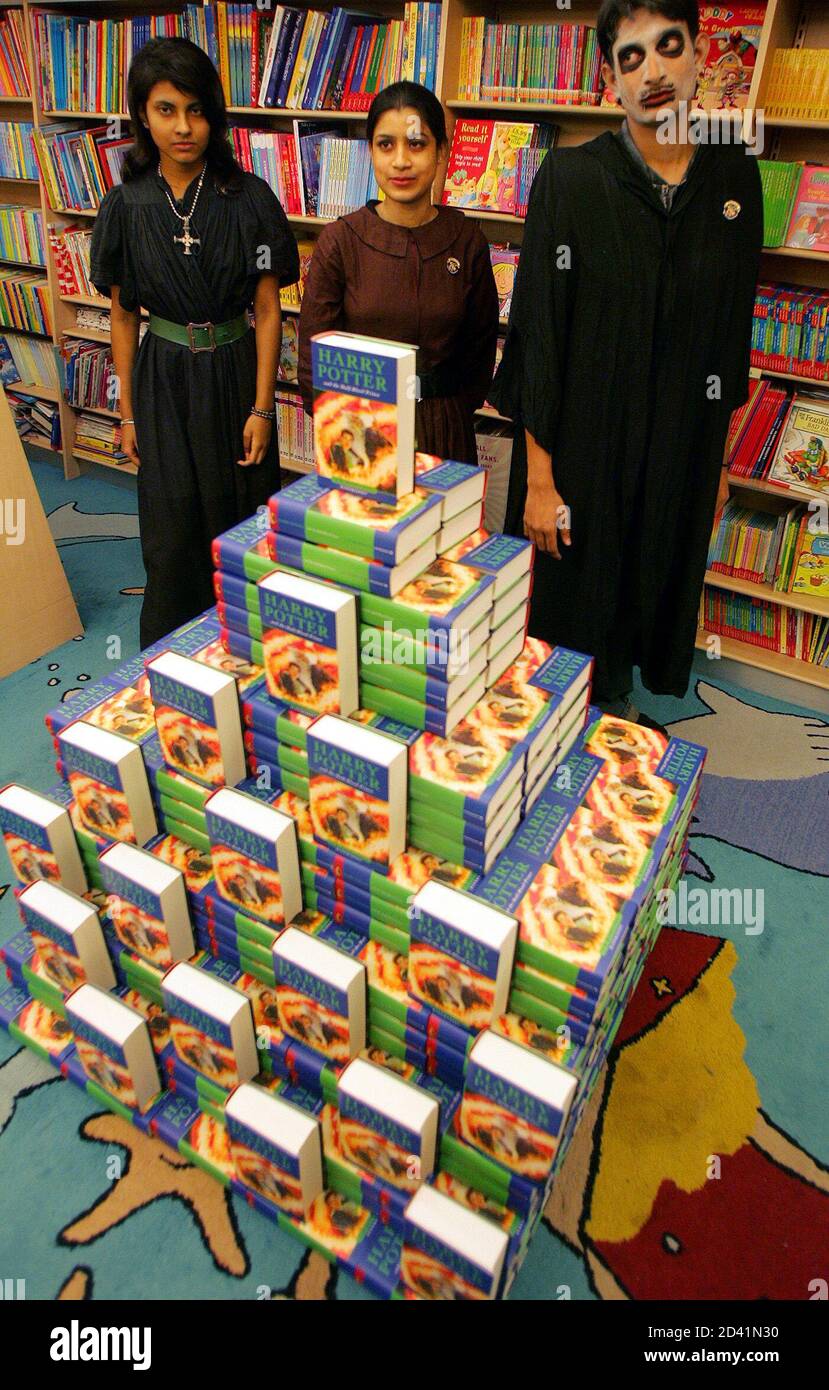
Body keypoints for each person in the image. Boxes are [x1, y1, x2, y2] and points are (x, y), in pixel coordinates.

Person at [488, 0, 762, 718]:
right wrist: (540, 481)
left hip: (678, 436)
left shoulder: (733, 180)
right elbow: (538, 336)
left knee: (651, 579)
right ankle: (568, 730)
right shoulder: (571, 180)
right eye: (629, 58)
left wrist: (719, 460)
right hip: (583, 439)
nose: (653, 70)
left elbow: (728, 330)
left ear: (699, 54)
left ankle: (614, 718)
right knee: (576, 600)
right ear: (612, 83)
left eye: (666, 46)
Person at [90, 38, 299, 647]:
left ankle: (253, 650)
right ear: (142, 115)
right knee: (170, 525)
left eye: (197, 110)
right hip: (162, 377)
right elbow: (125, 316)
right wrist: (126, 411)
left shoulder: (250, 197)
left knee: (241, 515)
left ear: (215, 113)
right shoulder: (126, 204)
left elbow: (267, 309)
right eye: (165, 110)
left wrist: (264, 408)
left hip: (234, 373)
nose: (183, 127)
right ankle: (172, 654)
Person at [298, 81, 499, 465]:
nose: (401, 161)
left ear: (441, 151)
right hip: (361, 434)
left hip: (445, 432)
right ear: (370, 151)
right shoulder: (341, 241)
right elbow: (313, 357)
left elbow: (480, 352)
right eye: (386, 144)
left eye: (417, 144)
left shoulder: (467, 240)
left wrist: (444, 411)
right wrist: (349, 430)